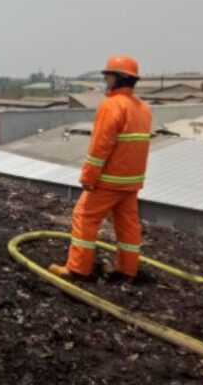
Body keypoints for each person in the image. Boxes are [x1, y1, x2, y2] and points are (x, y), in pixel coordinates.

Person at [49, 55, 151, 280]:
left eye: (108, 77)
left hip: (108, 180)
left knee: (84, 216)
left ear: (119, 78)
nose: (106, 81)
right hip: (131, 182)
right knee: (127, 225)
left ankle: (77, 269)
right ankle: (127, 270)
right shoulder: (143, 108)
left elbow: (99, 147)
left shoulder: (111, 106)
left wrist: (88, 176)